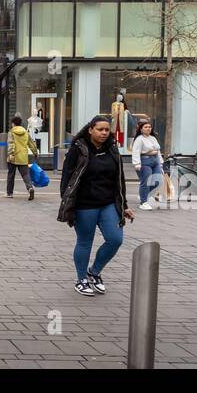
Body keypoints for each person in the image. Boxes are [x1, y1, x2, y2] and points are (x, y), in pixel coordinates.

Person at [58, 115, 135, 296]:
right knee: (85, 242)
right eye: (100, 129)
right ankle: (81, 279)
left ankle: (94, 272)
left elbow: (119, 180)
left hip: (108, 204)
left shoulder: (112, 149)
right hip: (85, 205)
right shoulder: (79, 149)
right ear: (90, 129)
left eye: (107, 130)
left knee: (115, 239)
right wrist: (68, 205)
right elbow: (67, 180)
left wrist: (124, 206)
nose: (104, 133)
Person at [130, 121, 165, 210]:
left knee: (159, 181)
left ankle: (144, 195)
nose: (148, 128)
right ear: (141, 129)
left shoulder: (153, 138)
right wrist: (137, 163)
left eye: (149, 127)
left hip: (155, 161)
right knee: (145, 182)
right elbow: (135, 152)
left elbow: (158, 151)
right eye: (146, 127)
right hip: (145, 162)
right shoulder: (139, 139)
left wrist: (161, 163)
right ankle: (143, 202)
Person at [6, 115, 37, 200]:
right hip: (23, 156)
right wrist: (35, 152)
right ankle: (30, 188)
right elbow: (31, 143)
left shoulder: (11, 132)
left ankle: (10, 193)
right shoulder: (25, 132)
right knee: (25, 174)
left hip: (13, 157)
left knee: (11, 175)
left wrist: (10, 153)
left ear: (13, 124)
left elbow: (11, 143)